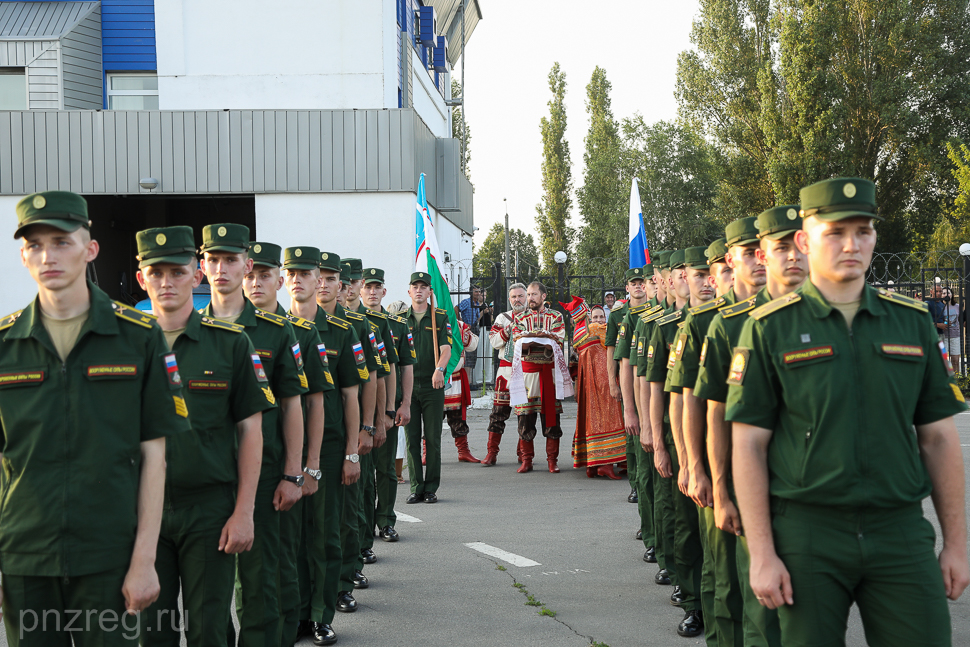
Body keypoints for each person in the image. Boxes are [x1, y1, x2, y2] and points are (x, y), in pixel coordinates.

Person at [728, 177, 969, 646]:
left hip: (898, 529)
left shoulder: (911, 322)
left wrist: (957, 544)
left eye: (863, 231)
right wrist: (761, 553)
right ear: (805, 240)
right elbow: (749, 444)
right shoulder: (769, 329)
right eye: (835, 233)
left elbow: (938, 438)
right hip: (808, 533)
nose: (851, 244)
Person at [0, 193, 188, 647]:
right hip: (23, 554)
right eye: (36, 245)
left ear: (91, 249)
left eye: (62, 242)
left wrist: (145, 559)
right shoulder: (4, 345)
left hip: (109, 555)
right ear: (23, 255)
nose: (48, 256)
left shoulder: (139, 339)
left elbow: (154, 459)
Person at [135, 225, 273, 647]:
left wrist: (244, 511)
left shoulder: (230, 343)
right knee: (149, 630)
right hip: (141, 512)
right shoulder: (121, 344)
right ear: (141, 278)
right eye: (155, 273)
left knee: (209, 628)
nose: (166, 282)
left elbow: (251, 430)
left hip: (208, 509)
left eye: (177, 272)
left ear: (195, 276)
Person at [200, 229, 309, 647]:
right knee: (207, 590)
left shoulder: (275, 331)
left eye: (232, 260)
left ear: (246, 265)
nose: (223, 269)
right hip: (207, 475)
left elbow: (293, 405)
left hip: (264, 475)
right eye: (214, 259)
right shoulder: (191, 329)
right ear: (203, 265)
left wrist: (293, 473)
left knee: (260, 583)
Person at [695, 213, 780, 647]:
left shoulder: (795, 317)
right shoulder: (720, 325)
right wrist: (705, 471)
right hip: (734, 466)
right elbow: (701, 406)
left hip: (793, 481)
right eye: (745, 255)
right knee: (731, 580)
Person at [243, 242, 332, 647]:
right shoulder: (219, 329)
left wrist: (307, 467)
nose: (255, 282)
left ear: (277, 281)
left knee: (284, 558)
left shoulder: (297, 333)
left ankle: (296, 624)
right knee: (247, 572)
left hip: (280, 462)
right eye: (250, 274)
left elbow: (313, 403)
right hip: (231, 466)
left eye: (265, 275)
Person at [287, 248, 366, 646]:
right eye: (295, 273)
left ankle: (320, 613)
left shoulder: (342, 332)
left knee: (323, 534)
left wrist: (353, 450)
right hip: (283, 446)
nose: (306, 281)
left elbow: (351, 395)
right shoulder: (275, 328)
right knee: (291, 537)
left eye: (311, 274)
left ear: (323, 279)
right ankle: (297, 612)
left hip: (331, 445)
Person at [645, 249, 705, 637]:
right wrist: (655, 436)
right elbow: (655, 387)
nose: (689, 279)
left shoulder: (728, 322)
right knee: (683, 520)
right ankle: (693, 598)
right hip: (677, 432)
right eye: (684, 273)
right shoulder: (666, 326)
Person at [362, 272, 416, 543]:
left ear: (384, 292)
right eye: (367, 287)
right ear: (360, 291)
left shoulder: (395, 325)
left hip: (387, 409)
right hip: (360, 409)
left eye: (377, 287)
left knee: (385, 468)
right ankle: (363, 524)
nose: (372, 292)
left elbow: (405, 366)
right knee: (361, 471)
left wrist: (404, 404)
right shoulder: (351, 322)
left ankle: (385, 520)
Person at [509, 281, 569, 473]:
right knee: (525, 417)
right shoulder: (520, 317)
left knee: (551, 417)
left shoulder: (556, 315)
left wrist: (535, 340)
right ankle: (527, 460)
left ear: (543, 296)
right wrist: (543, 339)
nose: (530, 298)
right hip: (527, 375)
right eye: (528, 294)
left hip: (548, 374)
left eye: (534, 294)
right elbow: (519, 343)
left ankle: (552, 460)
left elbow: (558, 341)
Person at [404, 272, 453, 503]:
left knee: (432, 438)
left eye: (424, 287)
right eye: (416, 286)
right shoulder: (401, 319)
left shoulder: (439, 318)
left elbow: (446, 349)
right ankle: (416, 486)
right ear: (409, 291)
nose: (420, 290)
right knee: (412, 438)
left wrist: (440, 370)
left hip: (432, 386)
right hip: (408, 386)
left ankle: (431, 487)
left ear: (430, 292)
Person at [563, 300, 626, 478]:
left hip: (591, 382)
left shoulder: (579, 332)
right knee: (610, 418)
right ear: (589, 318)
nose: (599, 320)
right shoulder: (597, 330)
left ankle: (594, 463)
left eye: (601, 317)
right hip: (603, 379)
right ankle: (604, 463)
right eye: (595, 317)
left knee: (595, 419)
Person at [482, 283, 528, 465]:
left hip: (526, 370)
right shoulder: (502, 317)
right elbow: (493, 341)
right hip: (506, 370)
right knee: (498, 412)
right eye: (514, 297)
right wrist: (509, 329)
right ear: (509, 299)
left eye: (520, 296)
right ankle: (491, 453)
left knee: (524, 414)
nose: (517, 299)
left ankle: (523, 454)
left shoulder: (533, 317)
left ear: (526, 297)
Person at [444, 306, 481, 462]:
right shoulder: (427, 323)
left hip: (456, 378)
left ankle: (463, 451)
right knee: (432, 419)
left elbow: (473, 345)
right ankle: (428, 453)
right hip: (434, 378)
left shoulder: (458, 324)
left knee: (458, 417)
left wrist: (460, 330)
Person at [458, 285, 489, 381]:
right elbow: (456, 308)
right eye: (476, 292)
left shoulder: (475, 304)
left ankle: (470, 381)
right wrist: (461, 322)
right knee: (468, 356)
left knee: (472, 356)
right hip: (467, 330)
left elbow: (477, 318)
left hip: (474, 329)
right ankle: (467, 382)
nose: (478, 293)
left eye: (479, 291)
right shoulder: (467, 302)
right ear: (471, 292)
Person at [942, 286, 961, 374]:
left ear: (952, 295)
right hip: (943, 336)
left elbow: (961, 319)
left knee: (955, 360)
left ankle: (957, 381)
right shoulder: (940, 307)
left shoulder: (957, 306)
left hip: (955, 336)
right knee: (943, 361)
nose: (946, 295)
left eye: (948, 293)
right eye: (944, 293)